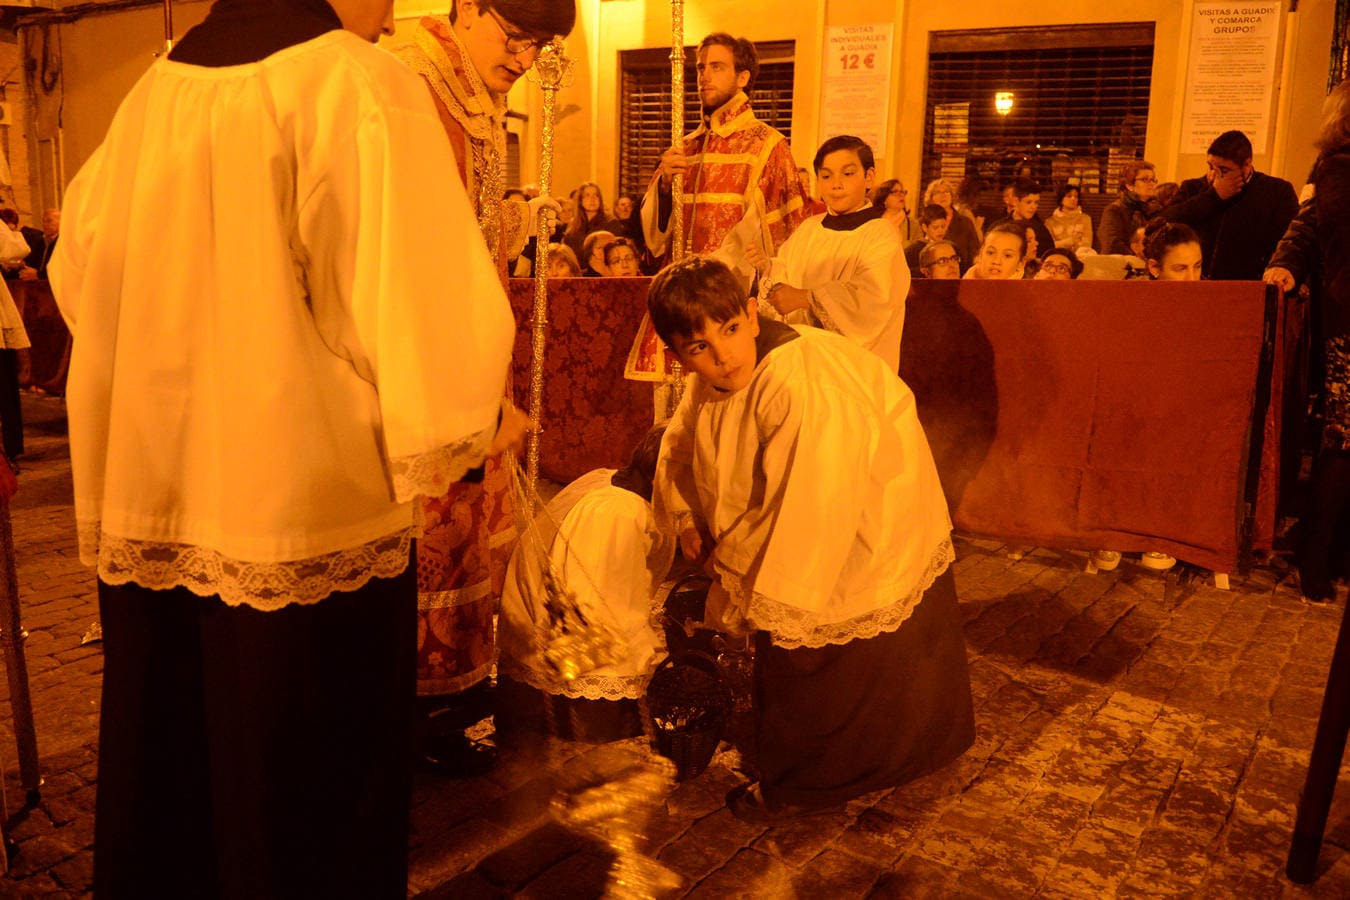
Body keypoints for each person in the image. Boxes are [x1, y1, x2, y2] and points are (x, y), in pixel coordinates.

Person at [47, 1, 529, 895]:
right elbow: (419, 307)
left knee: (175, 790)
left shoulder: (153, 89)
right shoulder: (352, 79)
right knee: (305, 811)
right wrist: (461, 423)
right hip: (305, 529)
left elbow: (78, 272)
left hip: (155, 514)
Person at [650, 256, 973, 822]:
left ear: (751, 314)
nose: (723, 357)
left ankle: (810, 784)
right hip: (809, 511)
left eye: (729, 331)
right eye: (698, 347)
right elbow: (682, 441)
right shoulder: (714, 380)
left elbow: (805, 508)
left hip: (862, 509)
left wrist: (731, 573)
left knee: (811, 649)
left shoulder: (803, 384)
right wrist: (682, 516)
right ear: (677, 355)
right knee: (833, 650)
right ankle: (880, 756)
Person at [393, 0, 575, 770]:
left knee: (472, 533)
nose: (526, 58)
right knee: (427, 532)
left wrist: (511, 218)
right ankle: (416, 713)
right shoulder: (406, 81)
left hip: (471, 356)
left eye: (539, 47)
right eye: (517, 37)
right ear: (468, 8)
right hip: (423, 363)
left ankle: (460, 696)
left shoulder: (476, 94)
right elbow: (406, 250)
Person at [497, 426, 675, 742]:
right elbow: (600, 612)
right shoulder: (618, 514)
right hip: (565, 669)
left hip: (555, 633)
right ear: (659, 478)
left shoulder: (608, 479)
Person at [1266, 81, 1350, 600]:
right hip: (1348, 321)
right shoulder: (1339, 170)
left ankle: (1327, 556)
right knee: (1342, 443)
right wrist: (1284, 264)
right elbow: (1315, 230)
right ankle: (1316, 563)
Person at [1089, 220, 1203, 575]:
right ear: (1154, 268)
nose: (1191, 278)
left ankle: (1161, 532)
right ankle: (1114, 531)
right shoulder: (1133, 301)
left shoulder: (1211, 304)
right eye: (1179, 268)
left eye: (1197, 267)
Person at [639, 32, 807, 266]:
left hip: (731, 289)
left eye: (716, 67)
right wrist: (665, 188)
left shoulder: (767, 145)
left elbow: (786, 232)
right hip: (681, 288)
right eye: (700, 68)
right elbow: (656, 241)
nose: (704, 76)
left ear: (742, 78)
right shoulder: (685, 147)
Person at [747, 135, 907, 370]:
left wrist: (805, 298)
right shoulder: (809, 229)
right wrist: (768, 269)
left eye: (848, 173)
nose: (836, 184)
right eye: (826, 176)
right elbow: (787, 278)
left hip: (854, 371)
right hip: (805, 364)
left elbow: (874, 300)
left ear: (869, 177)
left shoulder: (881, 235)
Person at [1163, 130, 1298, 280]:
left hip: (1249, 284)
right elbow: (1168, 220)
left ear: (1247, 165)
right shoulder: (1193, 188)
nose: (1214, 174)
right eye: (1211, 166)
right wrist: (1214, 196)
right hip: (1198, 282)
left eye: (1224, 170)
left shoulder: (1277, 192)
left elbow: (1288, 242)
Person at [1098, 160, 1158, 255]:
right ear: (1129, 185)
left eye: (1153, 180)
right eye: (1145, 180)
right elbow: (1111, 244)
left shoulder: (1153, 210)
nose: (1151, 184)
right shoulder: (1114, 210)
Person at [991, 178, 1053, 269]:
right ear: (1016, 201)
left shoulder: (1041, 230)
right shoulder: (999, 227)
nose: (1033, 207)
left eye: (1036, 203)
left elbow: (1050, 257)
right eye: (1028, 202)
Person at [922, 177, 979, 271]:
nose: (943, 195)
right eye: (938, 192)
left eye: (946, 192)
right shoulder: (922, 222)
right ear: (930, 198)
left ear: (952, 196)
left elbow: (975, 252)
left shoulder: (965, 222)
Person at [564, 181, 620, 262]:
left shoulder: (611, 222)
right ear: (581, 201)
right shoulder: (573, 224)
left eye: (596, 195)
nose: (592, 199)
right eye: (587, 196)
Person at [903, 204, 950, 278]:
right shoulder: (913, 251)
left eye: (943, 226)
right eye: (935, 227)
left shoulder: (949, 247)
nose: (940, 231)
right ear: (925, 227)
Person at [1046, 184, 1093, 253]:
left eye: (1076, 196)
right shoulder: (1050, 222)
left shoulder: (1085, 219)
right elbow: (1050, 246)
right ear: (1061, 199)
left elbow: (1087, 244)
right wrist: (1071, 241)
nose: (1073, 199)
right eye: (1069, 196)